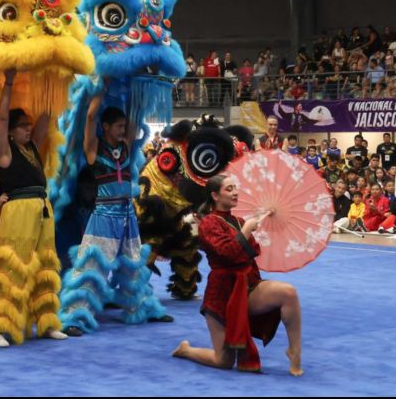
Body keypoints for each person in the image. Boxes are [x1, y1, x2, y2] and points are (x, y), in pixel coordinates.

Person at [60, 88, 171, 337]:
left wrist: (136, 76)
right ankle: (76, 316)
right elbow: (89, 119)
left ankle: (142, 307)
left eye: (124, 126)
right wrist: (102, 86)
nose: (123, 130)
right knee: (91, 264)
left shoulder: (126, 147)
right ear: (106, 126)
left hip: (127, 215)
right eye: (119, 126)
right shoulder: (93, 148)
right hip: (103, 215)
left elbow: (134, 114)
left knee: (134, 263)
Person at [172, 175, 302, 376]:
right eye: (229, 189)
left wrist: (247, 229)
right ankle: (186, 350)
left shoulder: (238, 221)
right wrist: (247, 230)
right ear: (215, 195)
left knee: (289, 293)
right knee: (223, 361)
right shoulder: (208, 224)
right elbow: (228, 254)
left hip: (247, 285)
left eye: (236, 188)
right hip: (221, 296)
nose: (235, 192)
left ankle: (294, 351)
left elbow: (251, 251)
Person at [0, 68, 67, 347]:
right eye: (23, 126)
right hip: (17, 211)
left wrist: (56, 81)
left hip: (43, 209)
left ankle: (45, 322)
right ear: (10, 131)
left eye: (28, 126)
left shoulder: (32, 147)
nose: (29, 129)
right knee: (12, 267)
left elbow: (47, 116)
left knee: (45, 264)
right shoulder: (4, 151)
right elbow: (3, 117)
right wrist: (8, 82)